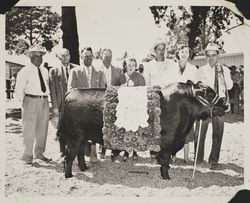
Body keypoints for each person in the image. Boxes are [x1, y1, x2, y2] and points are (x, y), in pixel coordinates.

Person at [195, 43, 233, 170]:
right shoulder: (200, 70)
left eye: (214, 55)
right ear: (205, 56)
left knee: (218, 132)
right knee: (200, 132)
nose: (211, 58)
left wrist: (223, 75)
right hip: (204, 105)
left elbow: (230, 87)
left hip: (219, 104)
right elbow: (196, 87)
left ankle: (213, 159)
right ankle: (198, 158)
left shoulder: (224, 69)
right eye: (208, 56)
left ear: (218, 55)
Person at [67, 47, 105, 163]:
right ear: (81, 57)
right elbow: (71, 90)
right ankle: (79, 157)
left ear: (93, 57)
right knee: (80, 132)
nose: (88, 58)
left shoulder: (99, 72)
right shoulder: (75, 72)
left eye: (90, 56)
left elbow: (102, 91)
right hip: (80, 108)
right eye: (85, 56)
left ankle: (93, 156)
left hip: (94, 108)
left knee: (94, 131)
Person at [15, 45, 51, 164]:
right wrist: (25, 102)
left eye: (41, 56)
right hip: (31, 100)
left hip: (44, 101)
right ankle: (27, 156)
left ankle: (39, 153)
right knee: (29, 129)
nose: (39, 58)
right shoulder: (25, 71)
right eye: (36, 56)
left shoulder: (45, 71)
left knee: (43, 129)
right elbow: (19, 89)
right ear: (30, 56)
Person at [171, 43, 198, 164]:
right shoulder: (171, 67)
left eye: (186, 52)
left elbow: (196, 86)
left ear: (189, 54)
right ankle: (173, 155)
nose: (184, 54)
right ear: (178, 53)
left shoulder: (193, 69)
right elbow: (165, 83)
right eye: (181, 51)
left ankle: (187, 156)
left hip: (187, 103)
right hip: (174, 103)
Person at [49, 48, 77, 158]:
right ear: (59, 58)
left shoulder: (76, 69)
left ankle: (73, 150)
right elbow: (52, 90)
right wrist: (55, 107)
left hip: (74, 104)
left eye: (67, 55)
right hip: (61, 104)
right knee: (62, 128)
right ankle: (62, 151)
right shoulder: (54, 71)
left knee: (74, 127)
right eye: (63, 56)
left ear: (70, 56)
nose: (65, 57)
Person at [118, 57, 146, 161]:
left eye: (133, 65)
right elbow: (118, 91)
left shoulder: (139, 76)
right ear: (125, 66)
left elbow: (143, 91)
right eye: (128, 65)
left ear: (135, 66)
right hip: (125, 107)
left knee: (135, 129)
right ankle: (126, 151)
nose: (130, 67)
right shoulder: (122, 77)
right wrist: (122, 87)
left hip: (135, 107)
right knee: (126, 129)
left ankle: (135, 151)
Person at [99, 48, 123, 159]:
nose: (107, 58)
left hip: (114, 103)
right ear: (101, 57)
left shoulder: (118, 70)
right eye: (105, 56)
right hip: (100, 101)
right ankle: (102, 148)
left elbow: (122, 86)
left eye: (109, 56)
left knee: (114, 125)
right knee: (102, 124)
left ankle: (115, 149)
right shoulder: (97, 70)